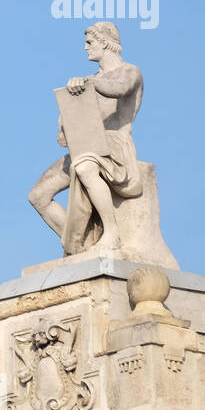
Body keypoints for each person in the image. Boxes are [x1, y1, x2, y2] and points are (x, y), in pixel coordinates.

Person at [28, 21, 144, 254]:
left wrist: (89, 84)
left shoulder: (129, 71)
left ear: (106, 43)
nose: (85, 48)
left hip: (113, 145)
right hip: (85, 146)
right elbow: (63, 140)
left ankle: (112, 233)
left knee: (84, 166)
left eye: (90, 42)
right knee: (38, 196)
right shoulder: (89, 81)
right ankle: (80, 244)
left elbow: (119, 88)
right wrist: (66, 118)